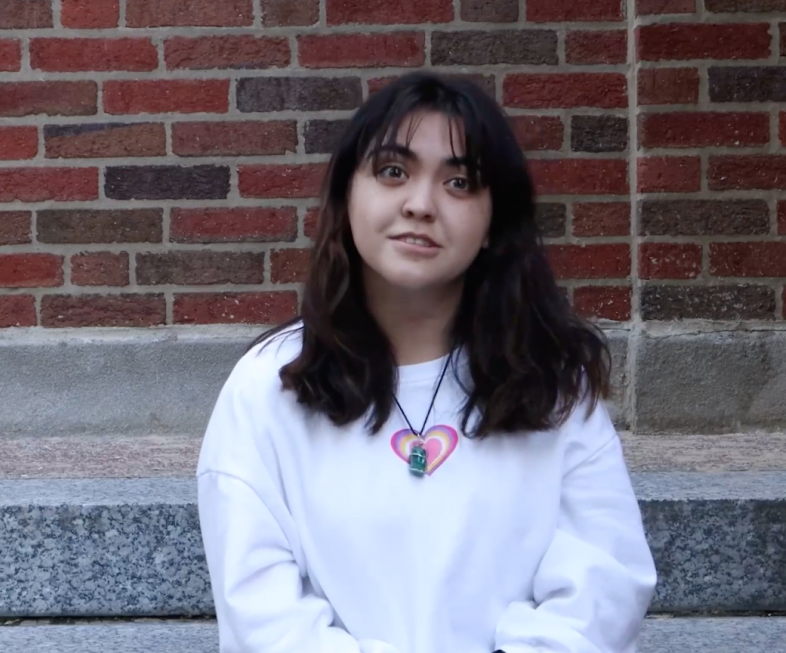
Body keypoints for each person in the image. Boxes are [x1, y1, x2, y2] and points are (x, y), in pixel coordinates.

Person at [196, 71, 658, 653]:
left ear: (494, 221)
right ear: (347, 195)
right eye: (393, 172)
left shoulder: (553, 386)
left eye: (459, 182)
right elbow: (262, 611)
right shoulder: (269, 388)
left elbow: (603, 585)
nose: (421, 204)